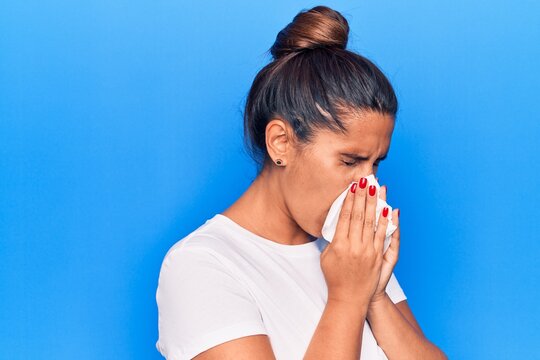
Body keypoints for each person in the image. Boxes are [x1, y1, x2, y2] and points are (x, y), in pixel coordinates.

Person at [155, 5, 447, 360]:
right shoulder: (201, 265)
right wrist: (347, 297)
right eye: (350, 161)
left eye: (375, 163)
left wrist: (374, 295)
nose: (367, 184)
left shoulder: (349, 252)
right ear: (281, 142)